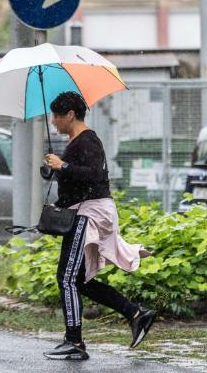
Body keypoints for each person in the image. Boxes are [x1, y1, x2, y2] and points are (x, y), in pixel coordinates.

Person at [41, 91, 155, 361]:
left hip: (89, 214)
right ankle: (136, 313)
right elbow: (76, 178)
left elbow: (95, 175)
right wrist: (55, 169)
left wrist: (63, 165)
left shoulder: (88, 139)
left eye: (57, 116)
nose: (54, 121)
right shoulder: (76, 142)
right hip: (84, 212)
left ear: (70, 115)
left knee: (66, 277)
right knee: (80, 280)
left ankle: (74, 342)